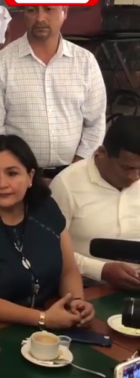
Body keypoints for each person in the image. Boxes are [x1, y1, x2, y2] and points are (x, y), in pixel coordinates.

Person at [0, 135, 95, 329]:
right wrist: (43, 318)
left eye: (12, 173)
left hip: (52, 317)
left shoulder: (46, 208)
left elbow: (68, 270)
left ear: (30, 176)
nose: (2, 183)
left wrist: (76, 301)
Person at [0, 6, 107, 173]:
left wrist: (75, 172)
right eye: (32, 10)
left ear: (64, 12)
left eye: (48, 9)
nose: (40, 18)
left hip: (76, 172)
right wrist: (16, 174)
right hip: (18, 176)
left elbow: (95, 123)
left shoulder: (85, 62)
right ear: (23, 14)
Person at [50, 116, 140, 290]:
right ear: (102, 153)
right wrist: (100, 270)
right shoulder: (66, 184)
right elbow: (49, 248)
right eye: (127, 168)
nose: (135, 177)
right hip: (83, 287)